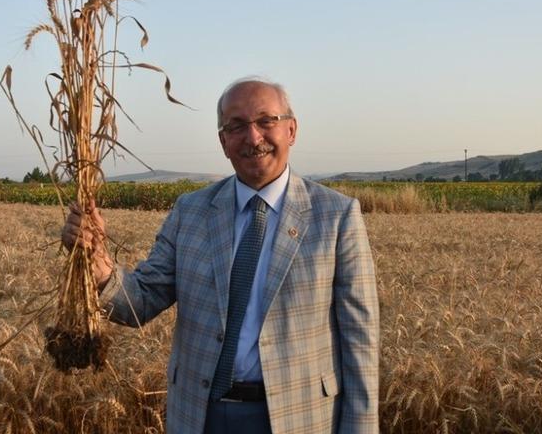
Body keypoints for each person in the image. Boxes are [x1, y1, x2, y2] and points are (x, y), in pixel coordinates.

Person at [62, 78, 379, 434]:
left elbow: (359, 343)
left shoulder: (336, 216)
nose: (253, 137)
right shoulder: (191, 211)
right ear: (223, 141)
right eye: (237, 126)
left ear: (291, 130)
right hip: (201, 415)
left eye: (266, 121)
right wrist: (99, 265)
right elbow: (143, 300)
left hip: (300, 417)